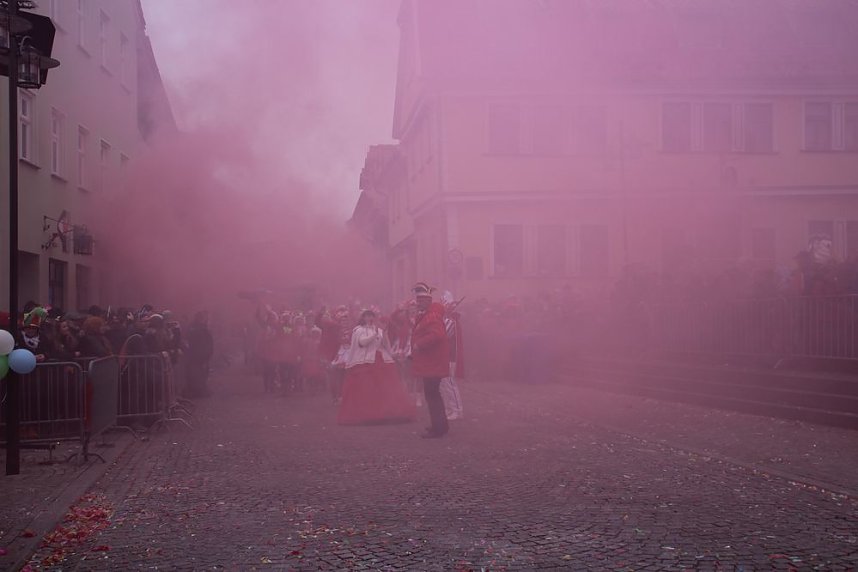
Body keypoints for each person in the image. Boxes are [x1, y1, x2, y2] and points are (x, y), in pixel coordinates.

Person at [337, 309, 416, 425]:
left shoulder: (379, 330)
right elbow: (362, 343)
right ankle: (366, 413)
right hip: (364, 362)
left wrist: (393, 352)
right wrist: (374, 334)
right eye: (367, 316)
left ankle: (382, 412)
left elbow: (386, 344)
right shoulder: (358, 330)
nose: (369, 318)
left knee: (383, 387)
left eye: (371, 316)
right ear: (363, 318)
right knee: (366, 388)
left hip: (380, 360)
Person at [409, 283, 451, 438]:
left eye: (421, 300)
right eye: (417, 299)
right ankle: (440, 425)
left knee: (432, 395)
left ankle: (438, 428)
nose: (418, 302)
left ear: (428, 301)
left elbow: (437, 335)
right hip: (432, 362)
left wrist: (420, 344)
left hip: (433, 363)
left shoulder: (431, 316)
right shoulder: (428, 315)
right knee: (433, 394)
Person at [440, 292, 465, 421]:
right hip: (443, 356)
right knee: (443, 384)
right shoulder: (444, 319)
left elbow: (443, 335)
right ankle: (449, 409)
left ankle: (457, 410)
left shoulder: (451, 321)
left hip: (450, 356)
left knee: (449, 382)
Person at [185, 311, 214, 398]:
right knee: (199, 373)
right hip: (199, 354)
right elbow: (207, 341)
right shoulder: (200, 328)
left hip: (199, 354)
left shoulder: (195, 327)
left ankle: (200, 390)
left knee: (201, 373)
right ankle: (199, 391)